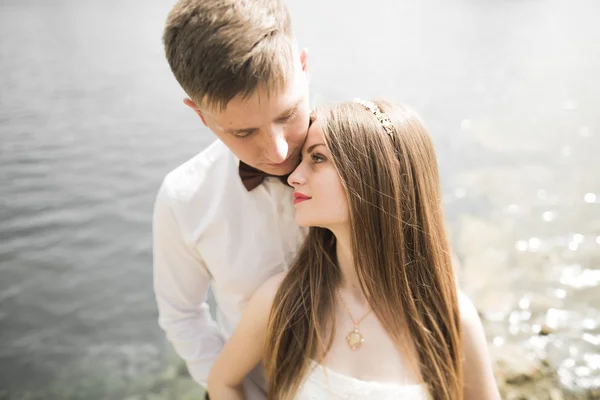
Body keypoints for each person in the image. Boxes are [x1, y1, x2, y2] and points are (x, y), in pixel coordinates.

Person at [207, 100, 501, 400]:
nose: (293, 176)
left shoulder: (449, 317)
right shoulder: (284, 301)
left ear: (375, 173)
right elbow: (223, 382)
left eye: (317, 158)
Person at [153, 0, 310, 398]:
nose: (276, 152)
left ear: (304, 67)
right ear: (201, 116)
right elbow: (182, 314)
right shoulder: (183, 199)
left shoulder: (368, 157)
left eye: (287, 114)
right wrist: (226, 388)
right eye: (243, 133)